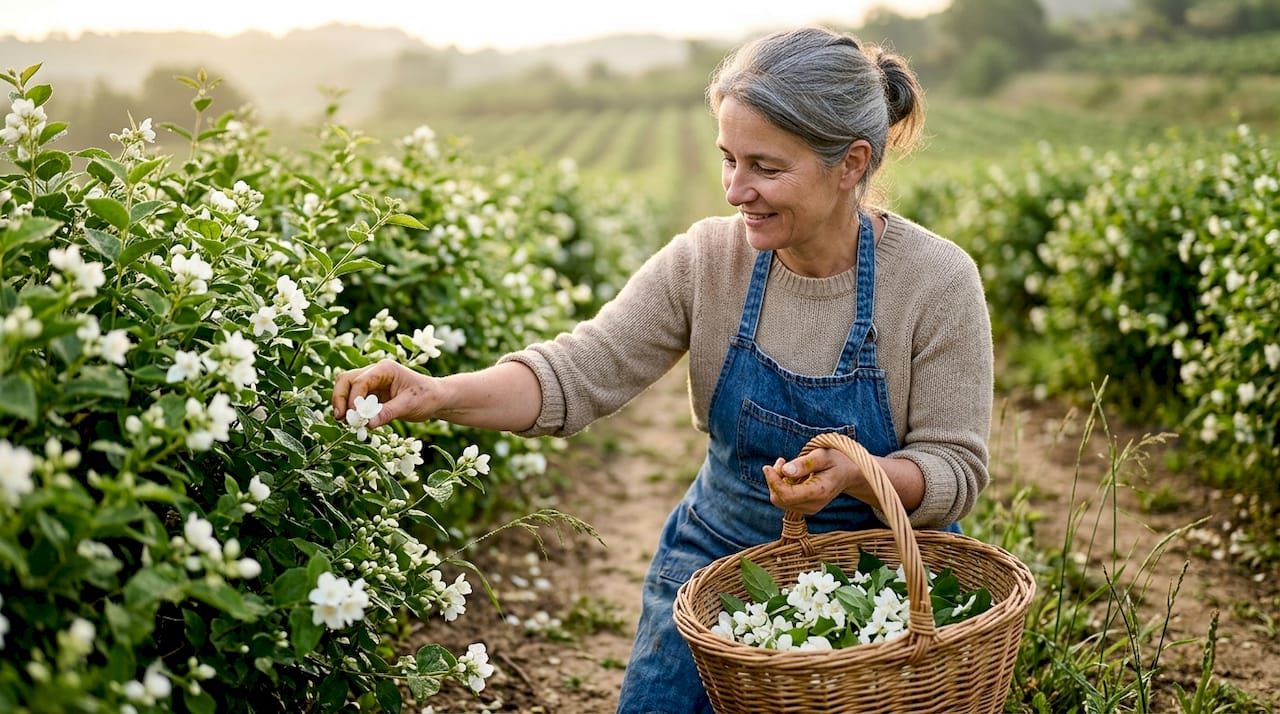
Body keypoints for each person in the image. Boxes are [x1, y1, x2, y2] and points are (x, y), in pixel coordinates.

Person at [332, 25, 993, 714]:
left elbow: (956, 470)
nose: (737, 191)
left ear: (850, 163)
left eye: (765, 167)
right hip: (718, 561)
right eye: (728, 159)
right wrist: (437, 393)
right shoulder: (709, 262)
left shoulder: (934, 283)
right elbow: (576, 373)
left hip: (882, 586)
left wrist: (862, 475)